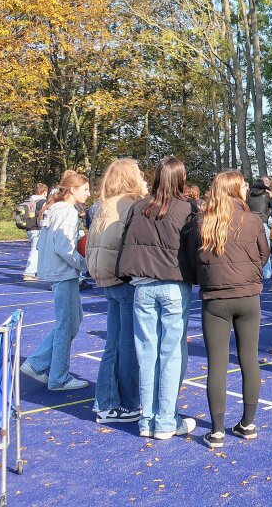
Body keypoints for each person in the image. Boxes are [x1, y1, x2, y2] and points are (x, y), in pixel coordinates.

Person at [116, 156, 197, 439]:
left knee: (147, 352)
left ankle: (147, 419)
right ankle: (164, 419)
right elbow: (193, 250)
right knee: (171, 352)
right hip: (173, 286)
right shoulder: (187, 208)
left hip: (144, 287)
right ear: (180, 178)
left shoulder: (140, 207)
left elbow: (127, 245)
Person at [191, 170, 270, 449]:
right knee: (249, 359)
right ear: (238, 190)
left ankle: (217, 430)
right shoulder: (252, 220)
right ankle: (248, 423)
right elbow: (264, 253)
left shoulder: (202, 220)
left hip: (215, 298)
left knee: (217, 364)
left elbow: (192, 258)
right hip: (248, 296)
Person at [85, 159, 147, 424]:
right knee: (127, 343)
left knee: (113, 341)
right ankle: (125, 402)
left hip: (106, 278)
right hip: (123, 279)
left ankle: (106, 400)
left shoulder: (104, 205)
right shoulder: (130, 204)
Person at [19, 170, 91, 390]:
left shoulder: (54, 209)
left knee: (73, 320)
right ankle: (58, 377)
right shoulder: (67, 211)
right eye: (86, 190)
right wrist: (86, 265)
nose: (89, 194)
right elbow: (64, 247)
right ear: (72, 189)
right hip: (63, 272)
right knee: (66, 325)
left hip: (57, 271)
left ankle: (37, 363)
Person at [18, 183, 47, 281]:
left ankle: (38, 271)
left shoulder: (29, 200)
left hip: (29, 228)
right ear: (44, 191)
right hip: (38, 229)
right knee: (35, 251)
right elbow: (47, 213)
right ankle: (29, 272)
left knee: (38, 250)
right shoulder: (42, 201)